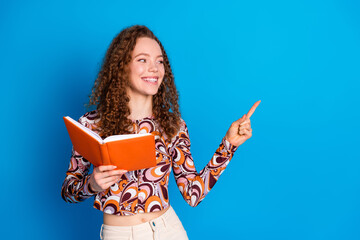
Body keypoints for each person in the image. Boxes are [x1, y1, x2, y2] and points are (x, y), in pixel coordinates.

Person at [61, 25, 260, 240]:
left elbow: (193, 194)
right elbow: (68, 192)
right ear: (121, 66)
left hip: (169, 230)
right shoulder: (91, 125)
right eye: (143, 60)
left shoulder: (173, 126)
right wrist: (92, 184)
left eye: (159, 61)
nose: (154, 68)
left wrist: (229, 145)